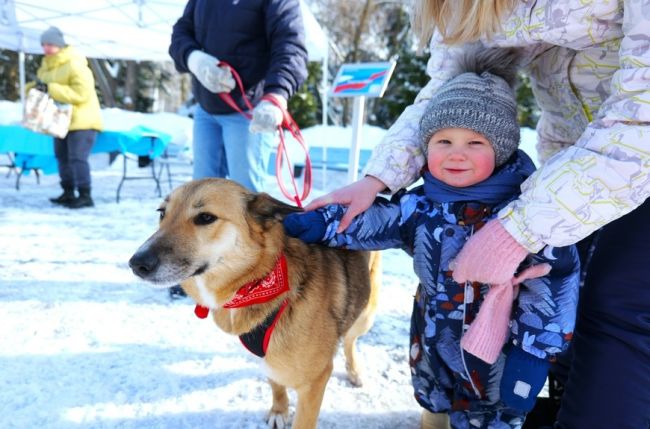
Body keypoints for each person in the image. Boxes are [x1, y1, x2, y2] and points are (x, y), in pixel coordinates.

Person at [306, 1, 650, 428]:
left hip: (635, 149)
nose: (456, 154)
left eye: (473, 145)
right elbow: (450, 89)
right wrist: (378, 179)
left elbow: (642, 115)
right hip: (569, 165)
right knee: (577, 322)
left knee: (618, 313)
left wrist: (520, 228)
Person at [283, 48, 580, 429]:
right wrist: (322, 223)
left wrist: (533, 355)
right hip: (432, 341)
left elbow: (555, 284)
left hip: (499, 358)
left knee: (487, 418)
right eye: (443, 142)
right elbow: (376, 220)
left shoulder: (528, 214)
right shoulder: (423, 204)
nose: (457, 154)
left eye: (475, 143)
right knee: (434, 401)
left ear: (502, 149)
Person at [168, 0, 308, 192]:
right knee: (200, 197)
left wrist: (276, 95)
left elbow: (290, 46)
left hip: (249, 114)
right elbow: (181, 31)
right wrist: (193, 58)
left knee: (245, 200)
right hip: (206, 109)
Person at [27, 26, 102, 208]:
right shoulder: (46, 66)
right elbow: (41, 86)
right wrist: (32, 87)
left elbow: (81, 93)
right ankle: (68, 192)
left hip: (82, 121)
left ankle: (85, 195)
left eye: (50, 44)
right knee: (62, 157)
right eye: (44, 44)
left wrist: (51, 88)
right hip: (58, 121)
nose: (46, 48)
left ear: (60, 45)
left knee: (77, 158)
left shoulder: (75, 63)